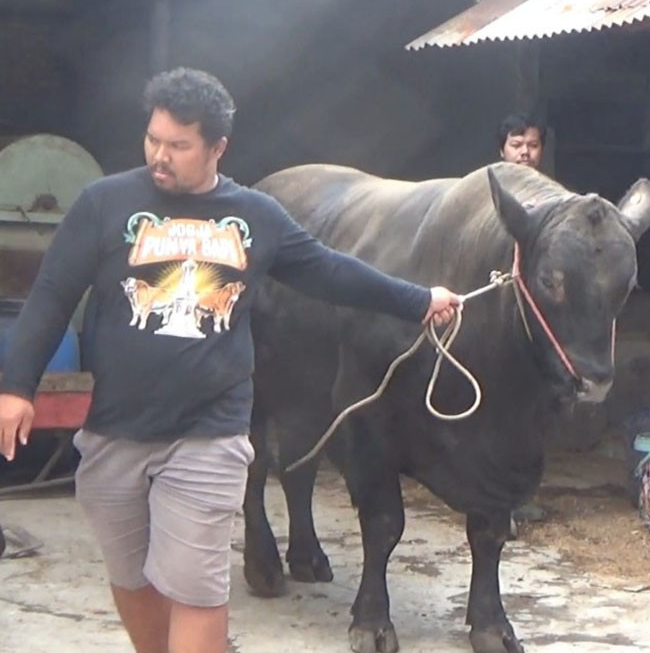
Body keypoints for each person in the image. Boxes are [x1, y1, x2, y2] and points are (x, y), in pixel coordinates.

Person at [0, 67, 461, 653]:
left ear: (218, 146)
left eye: (178, 145)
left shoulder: (256, 218)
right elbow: (52, 294)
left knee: (195, 588)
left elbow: (332, 273)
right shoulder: (103, 203)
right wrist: (18, 386)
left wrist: (420, 299)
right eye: (153, 140)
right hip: (115, 429)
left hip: (208, 436)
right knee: (131, 576)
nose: (159, 156)